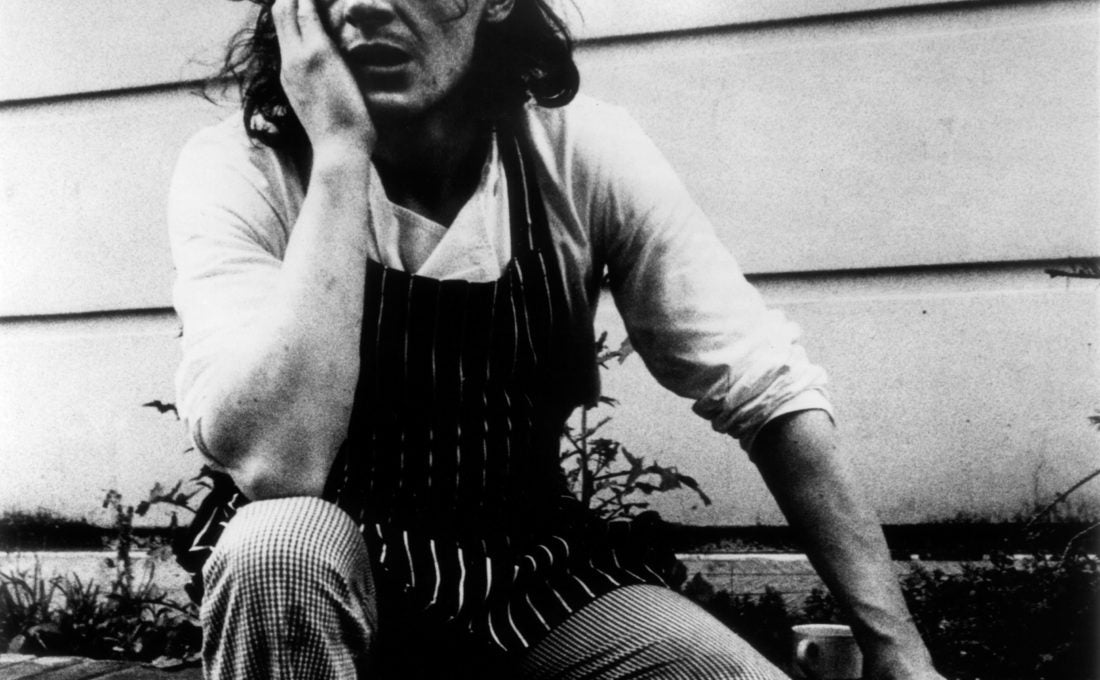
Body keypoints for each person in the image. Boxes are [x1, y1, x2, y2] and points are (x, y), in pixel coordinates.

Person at [168, 0, 947, 678]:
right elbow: (276, 464)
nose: (363, 5)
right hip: (332, 580)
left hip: (527, 570)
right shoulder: (244, 170)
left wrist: (899, 651)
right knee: (276, 545)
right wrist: (341, 154)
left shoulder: (578, 152)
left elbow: (763, 387)